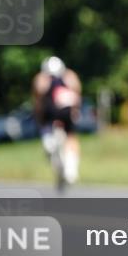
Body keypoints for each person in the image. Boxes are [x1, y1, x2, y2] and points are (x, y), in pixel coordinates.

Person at [32, 56, 82, 184]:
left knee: (63, 140)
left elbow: (38, 101)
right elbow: (77, 94)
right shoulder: (67, 76)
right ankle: (68, 170)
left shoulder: (44, 79)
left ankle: (68, 169)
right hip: (58, 115)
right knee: (63, 141)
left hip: (57, 115)